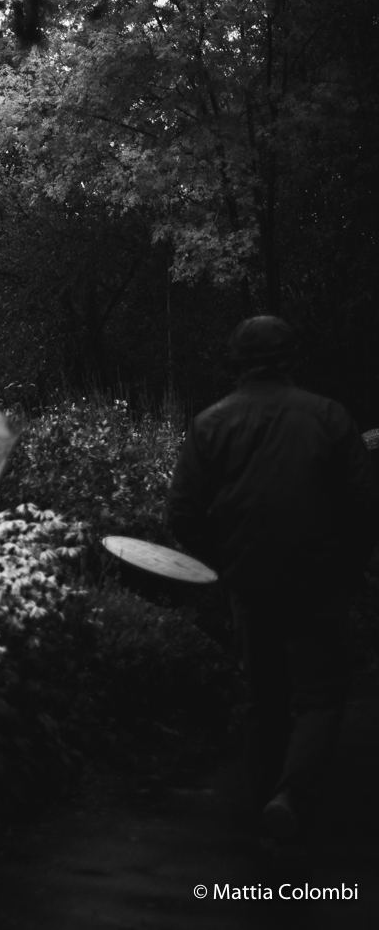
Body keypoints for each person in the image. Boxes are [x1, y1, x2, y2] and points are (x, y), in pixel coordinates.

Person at [165, 315, 378, 846]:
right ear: (291, 359)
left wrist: (226, 562)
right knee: (321, 697)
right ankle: (292, 798)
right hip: (320, 582)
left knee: (264, 698)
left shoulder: (212, 423)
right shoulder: (328, 416)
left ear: (236, 362)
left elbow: (183, 513)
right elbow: (362, 508)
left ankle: (265, 803)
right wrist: (350, 571)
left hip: (250, 583)